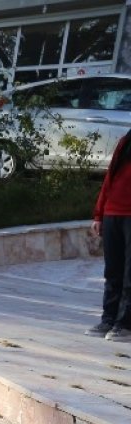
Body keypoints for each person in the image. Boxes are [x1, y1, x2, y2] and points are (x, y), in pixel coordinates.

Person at [89, 131, 131, 341]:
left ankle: (125, 325)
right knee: (113, 272)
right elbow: (110, 176)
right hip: (113, 213)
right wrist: (99, 213)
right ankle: (109, 320)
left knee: (130, 274)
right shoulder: (126, 140)